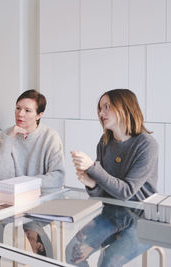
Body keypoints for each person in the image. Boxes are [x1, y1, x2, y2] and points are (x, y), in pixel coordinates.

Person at [67, 88, 158, 266]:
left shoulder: (146, 144)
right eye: (100, 108)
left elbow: (126, 191)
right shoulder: (104, 142)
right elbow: (103, 193)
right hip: (111, 214)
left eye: (107, 107)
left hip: (142, 220)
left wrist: (93, 168)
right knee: (72, 253)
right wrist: (91, 185)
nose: (101, 113)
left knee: (107, 261)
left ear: (126, 107)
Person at [0, 89, 65, 189]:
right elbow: (1, 178)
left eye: (27, 110)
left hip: (42, 197)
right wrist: (9, 140)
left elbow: (57, 178)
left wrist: (23, 184)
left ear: (39, 115)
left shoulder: (51, 137)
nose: (20, 114)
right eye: (18, 108)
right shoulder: (4, 135)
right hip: (12, 196)